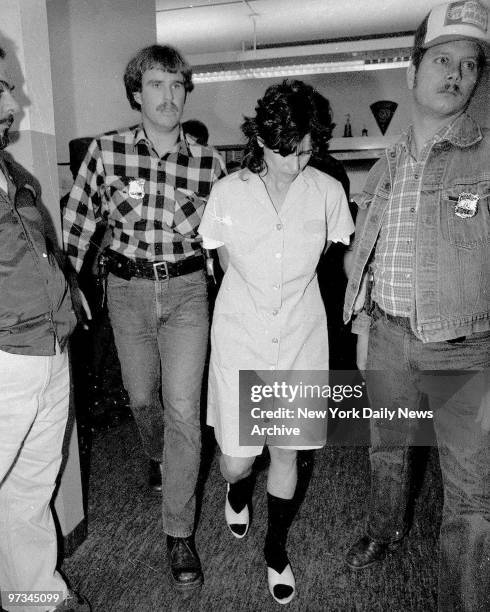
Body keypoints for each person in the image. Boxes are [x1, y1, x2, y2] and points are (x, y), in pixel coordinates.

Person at [343, 2, 490, 610]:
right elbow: (367, 249)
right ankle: (385, 529)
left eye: (469, 65)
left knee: (472, 494)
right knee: (386, 445)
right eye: (441, 59)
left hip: (465, 344)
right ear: (413, 71)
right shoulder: (390, 158)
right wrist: (362, 320)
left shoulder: (486, 156)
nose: (455, 74)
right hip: (388, 335)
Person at [63, 44, 225, 591]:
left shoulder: (210, 162)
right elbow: (78, 224)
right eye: (157, 85)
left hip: (185, 291)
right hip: (126, 290)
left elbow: (225, 241)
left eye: (178, 86)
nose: (169, 96)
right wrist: (65, 285)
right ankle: (156, 457)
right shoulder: (106, 153)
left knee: (184, 409)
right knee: (140, 399)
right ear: (137, 93)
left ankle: (178, 532)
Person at [199, 80, 354, 604]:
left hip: (300, 338)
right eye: (289, 150)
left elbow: (337, 260)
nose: (298, 162)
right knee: (237, 460)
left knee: (287, 450)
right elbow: (223, 267)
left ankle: (276, 548)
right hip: (242, 336)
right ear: (262, 139)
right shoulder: (228, 192)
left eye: (309, 149)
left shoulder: (328, 191)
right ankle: (238, 486)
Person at [0, 45, 90, 612]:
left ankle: (34, 597)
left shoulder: (14, 174)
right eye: (1, 89)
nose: (14, 101)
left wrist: (67, 287)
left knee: (30, 488)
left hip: (50, 349)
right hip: (6, 358)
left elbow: (37, 250)